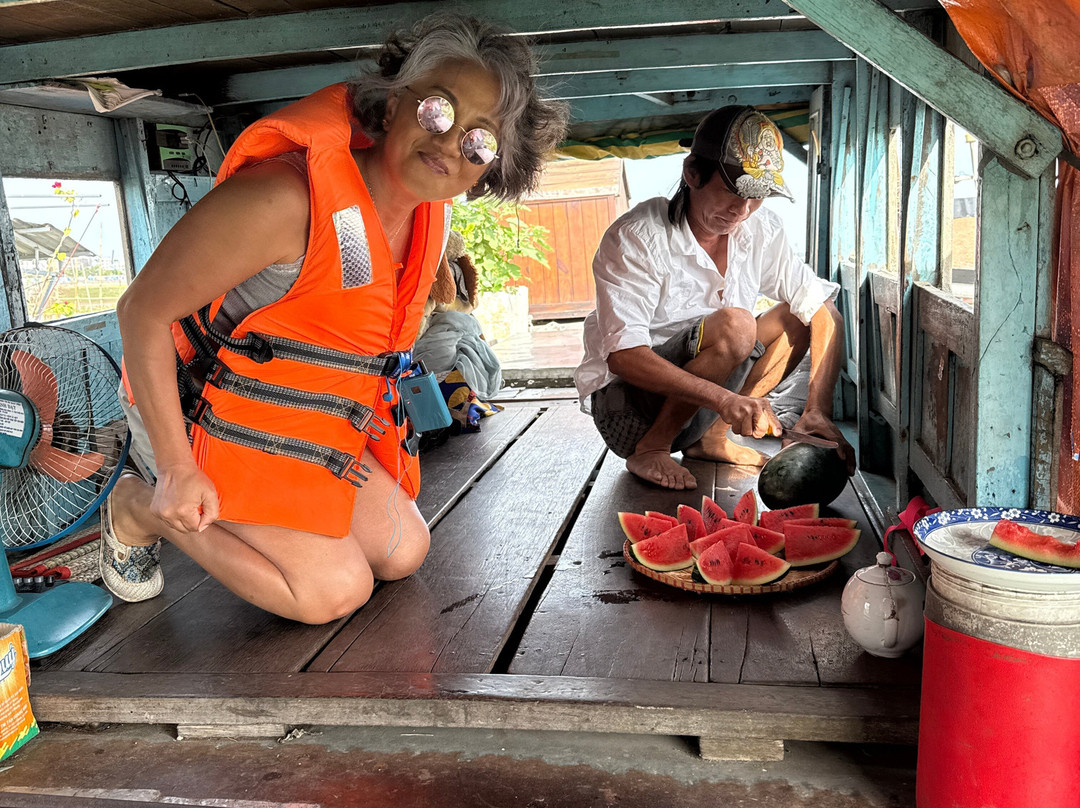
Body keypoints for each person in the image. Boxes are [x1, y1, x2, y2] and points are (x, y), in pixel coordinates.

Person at [100, 12, 568, 623]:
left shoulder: (429, 220)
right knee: (332, 592)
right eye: (438, 111)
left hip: (296, 415)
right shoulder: (285, 199)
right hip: (195, 407)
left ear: (491, 166)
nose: (451, 143)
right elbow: (140, 311)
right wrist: (174, 468)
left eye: (480, 142)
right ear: (394, 104)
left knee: (403, 550)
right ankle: (136, 508)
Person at [574, 105, 855, 491]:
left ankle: (711, 438)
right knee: (737, 325)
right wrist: (723, 399)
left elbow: (824, 312)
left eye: (757, 196)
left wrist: (817, 411)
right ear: (692, 173)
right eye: (732, 192)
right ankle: (652, 449)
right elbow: (624, 356)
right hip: (628, 415)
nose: (742, 210)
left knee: (798, 315)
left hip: (701, 411)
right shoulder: (637, 236)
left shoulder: (760, 229)